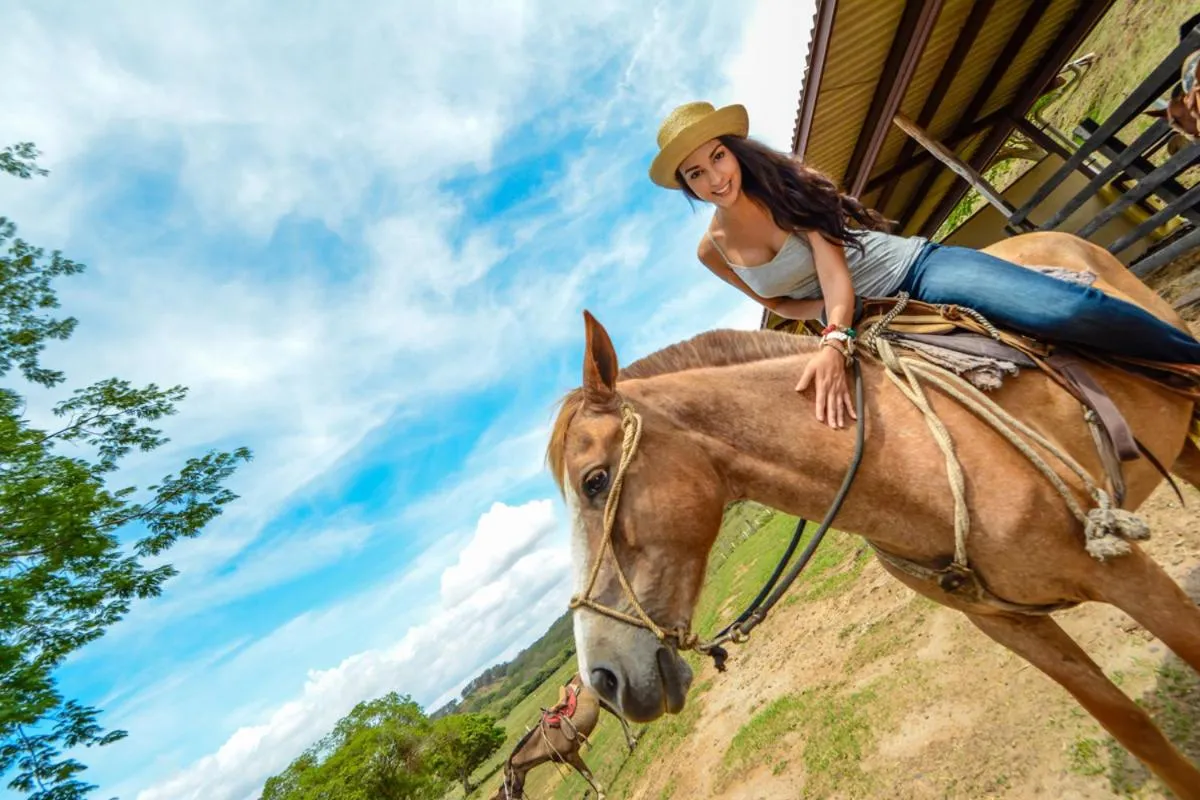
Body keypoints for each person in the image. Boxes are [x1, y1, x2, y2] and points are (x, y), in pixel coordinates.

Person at [648, 101, 1200, 430]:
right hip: (855, 319)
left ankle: (1189, 362)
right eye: (696, 173)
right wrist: (825, 316)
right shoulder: (711, 251)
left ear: (735, 151)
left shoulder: (784, 187)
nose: (714, 178)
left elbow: (835, 273)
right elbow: (772, 302)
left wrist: (834, 336)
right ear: (687, 187)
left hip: (909, 274)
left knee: (1058, 309)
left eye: (717, 157)